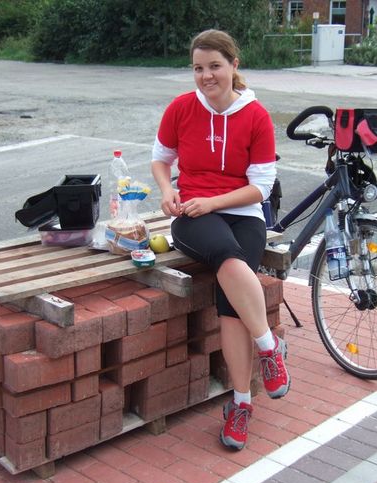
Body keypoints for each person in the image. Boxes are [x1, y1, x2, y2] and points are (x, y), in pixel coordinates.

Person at [151, 29, 289, 451]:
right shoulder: (181, 108)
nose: (206, 76)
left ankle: (241, 404)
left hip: (241, 212)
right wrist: (167, 190)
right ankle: (270, 348)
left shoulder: (256, 116)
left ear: (234, 66)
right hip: (192, 215)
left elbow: (261, 188)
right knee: (229, 260)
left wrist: (214, 201)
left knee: (232, 306)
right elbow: (161, 159)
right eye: (198, 68)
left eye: (214, 66)